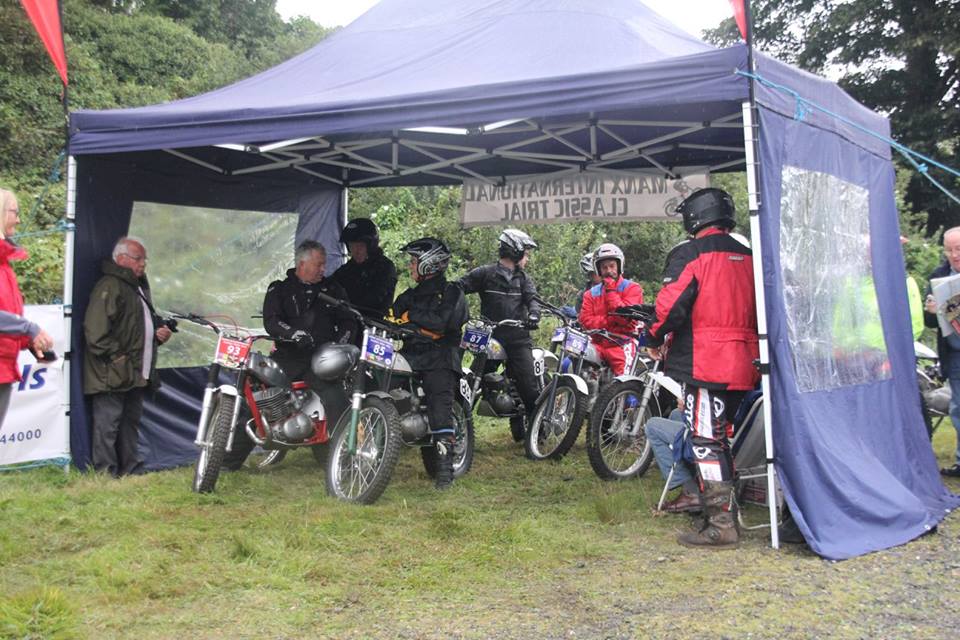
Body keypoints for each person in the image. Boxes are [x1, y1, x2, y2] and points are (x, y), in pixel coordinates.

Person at [644, 188, 760, 549]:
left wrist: (652, 336)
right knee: (720, 438)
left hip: (706, 363)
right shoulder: (750, 255)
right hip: (746, 362)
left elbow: (669, 306)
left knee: (706, 441)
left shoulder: (691, 253)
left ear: (694, 217)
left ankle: (721, 525)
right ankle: (723, 512)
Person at [225, 240, 356, 469]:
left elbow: (349, 322)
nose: (323, 269)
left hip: (321, 359)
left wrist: (337, 347)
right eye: (318, 264)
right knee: (255, 398)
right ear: (302, 264)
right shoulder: (280, 289)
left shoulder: (334, 290)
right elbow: (271, 321)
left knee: (337, 399)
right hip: (287, 357)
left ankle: (340, 459)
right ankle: (229, 461)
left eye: (324, 264)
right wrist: (293, 334)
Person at [83, 237, 173, 477]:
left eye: (144, 259)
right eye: (138, 258)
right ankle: (105, 473)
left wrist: (156, 334)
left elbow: (136, 329)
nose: (143, 263)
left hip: (133, 370)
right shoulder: (110, 286)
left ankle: (129, 469)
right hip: (111, 371)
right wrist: (118, 358)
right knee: (108, 424)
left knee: (129, 424)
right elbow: (95, 333)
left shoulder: (136, 287)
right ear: (121, 259)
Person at [392, 237, 468, 489]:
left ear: (429, 263)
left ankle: (445, 472)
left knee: (439, 405)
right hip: (409, 355)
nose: (410, 266)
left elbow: (441, 324)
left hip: (440, 357)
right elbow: (390, 319)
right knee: (382, 385)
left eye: (414, 261)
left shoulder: (453, 292)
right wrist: (412, 323)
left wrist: (411, 316)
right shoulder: (409, 294)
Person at [459, 228, 541, 440]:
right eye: (526, 254)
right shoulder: (485, 273)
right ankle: (459, 423)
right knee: (472, 380)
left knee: (528, 387)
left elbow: (533, 300)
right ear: (515, 251)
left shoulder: (523, 279)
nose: (527, 259)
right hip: (490, 338)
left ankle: (537, 430)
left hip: (517, 339)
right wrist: (453, 306)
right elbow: (459, 286)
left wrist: (534, 315)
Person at [0, 189, 54, 427]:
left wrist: (28, 340)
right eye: (15, 212)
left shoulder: (5, 263)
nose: (19, 220)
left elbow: (8, 314)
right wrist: (28, 328)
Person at [924, 226, 960, 477]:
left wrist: (948, 307)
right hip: (955, 353)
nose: (954, 255)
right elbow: (930, 323)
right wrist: (932, 311)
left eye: (958, 249)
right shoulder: (937, 276)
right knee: (958, 407)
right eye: (949, 250)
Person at [578, 243, 644, 375]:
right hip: (597, 343)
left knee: (625, 381)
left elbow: (625, 319)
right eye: (604, 267)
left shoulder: (632, 288)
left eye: (612, 266)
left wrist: (611, 291)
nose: (608, 271)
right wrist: (610, 321)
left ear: (619, 266)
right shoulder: (590, 294)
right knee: (569, 363)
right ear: (599, 270)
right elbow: (585, 322)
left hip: (622, 343)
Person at [330, 218, 397, 320]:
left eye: (360, 246)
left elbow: (375, 299)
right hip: (347, 321)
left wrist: (345, 304)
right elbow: (330, 285)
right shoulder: (347, 269)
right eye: (351, 246)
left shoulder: (385, 267)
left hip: (374, 324)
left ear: (371, 246)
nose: (355, 251)